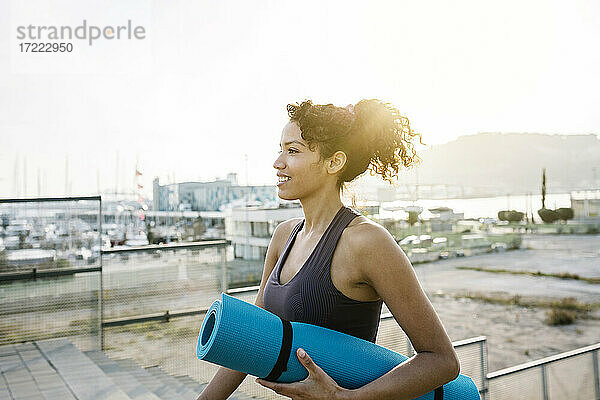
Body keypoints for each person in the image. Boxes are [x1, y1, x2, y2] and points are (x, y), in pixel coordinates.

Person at [198, 99, 460, 400]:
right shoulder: (284, 236)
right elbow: (254, 337)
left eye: (293, 151)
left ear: (334, 163)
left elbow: (441, 360)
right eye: (280, 149)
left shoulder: (367, 242)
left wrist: (345, 398)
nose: (278, 162)